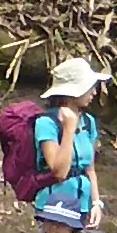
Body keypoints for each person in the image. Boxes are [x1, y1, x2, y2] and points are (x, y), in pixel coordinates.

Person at [30, 58, 107, 201]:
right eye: (89, 87)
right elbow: (59, 173)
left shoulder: (88, 121)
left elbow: (89, 168)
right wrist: (69, 129)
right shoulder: (46, 123)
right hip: (55, 204)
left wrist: (96, 202)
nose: (94, 92)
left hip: (82, 201)